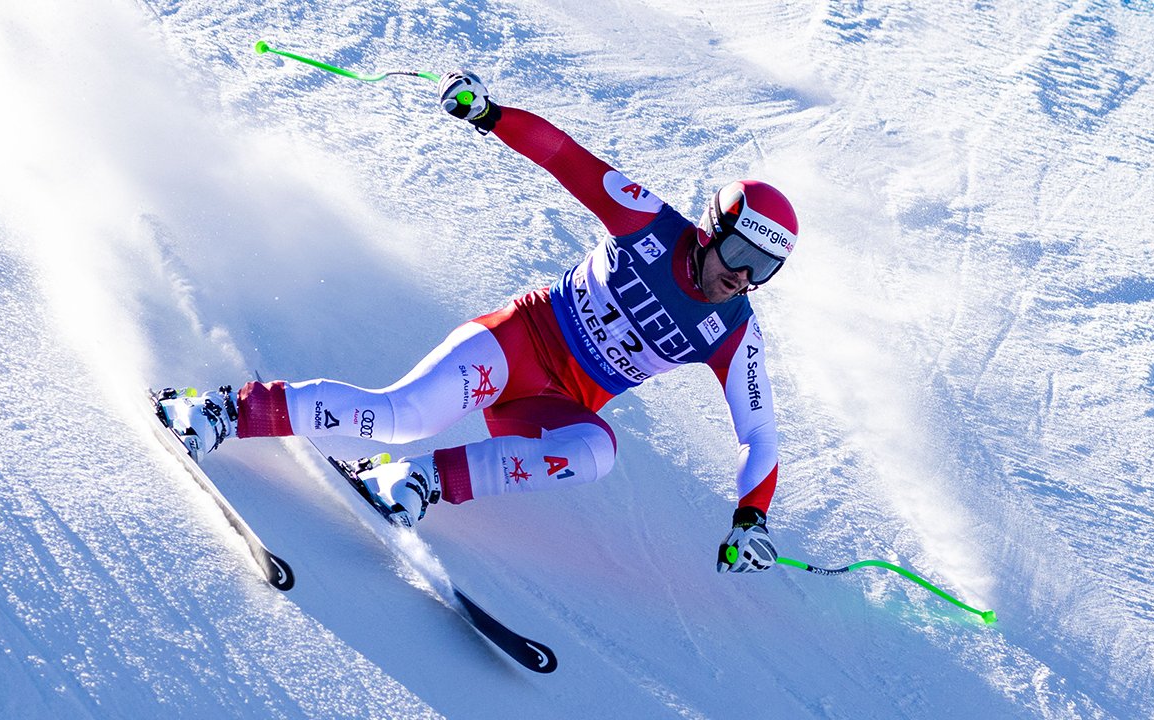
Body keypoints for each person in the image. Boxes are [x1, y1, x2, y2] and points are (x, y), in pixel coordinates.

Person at [158, 71, 797, 574]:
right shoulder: (649, 224)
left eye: (762, 269)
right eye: (740, 253)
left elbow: (759, 435)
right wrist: (488, 114)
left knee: (596, 451)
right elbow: (564, 157)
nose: (742, 277)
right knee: (400, 415)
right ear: (713, 229)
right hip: (516, 342)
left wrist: (751, 520)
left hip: (557, 401)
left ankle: (410, 479)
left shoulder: (734, 331)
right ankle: (216, 412)